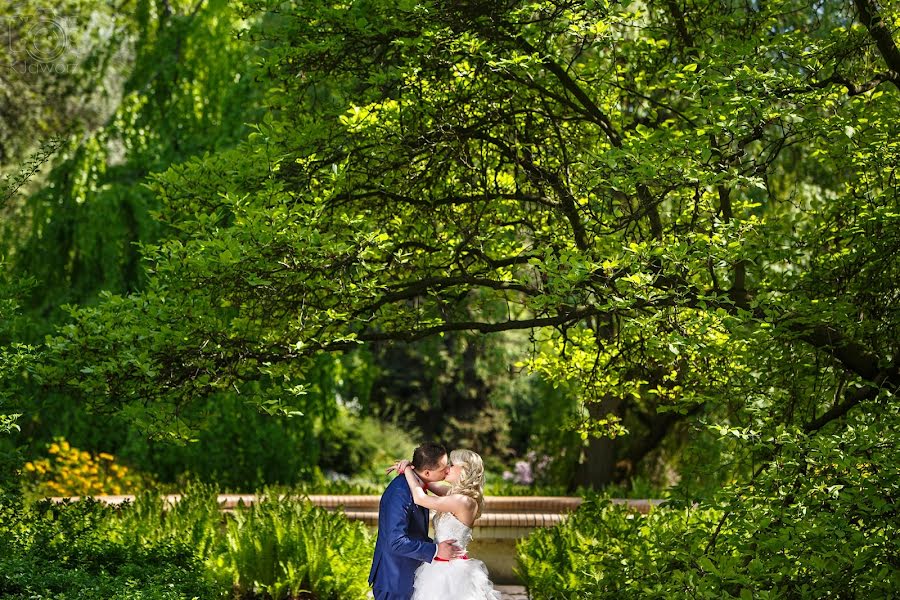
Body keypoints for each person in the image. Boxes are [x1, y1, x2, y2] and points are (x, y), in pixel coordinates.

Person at [392, 448, 502, 600]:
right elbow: (426, 481)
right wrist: (415, 467)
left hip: (452, 572)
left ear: (465, 470)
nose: (446, 468)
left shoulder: (464, 501)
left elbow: (421, 498)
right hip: (437, 565)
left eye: (452, 464)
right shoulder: (453, 494)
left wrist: (408, 470)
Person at [369, 442, 463, 600]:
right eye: (443, 468)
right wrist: (435, 550)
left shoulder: (418, 485)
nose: (448, 470)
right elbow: (396, 542)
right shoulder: (400, 493)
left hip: (412, 575)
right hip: (395, 579)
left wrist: (408, 468)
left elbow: (415, 532)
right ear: (427, 472)